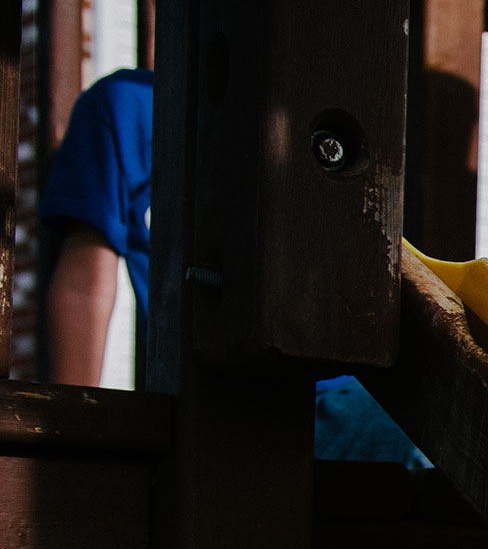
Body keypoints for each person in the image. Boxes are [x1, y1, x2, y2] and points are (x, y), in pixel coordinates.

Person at [39, 67, 426, 467]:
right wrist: (69, 447)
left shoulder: (328, 104)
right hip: (216, 405)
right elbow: (84, 289)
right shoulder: (128, 103)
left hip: (351, 390)